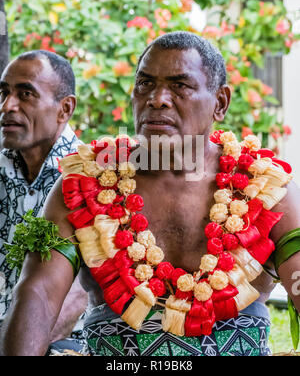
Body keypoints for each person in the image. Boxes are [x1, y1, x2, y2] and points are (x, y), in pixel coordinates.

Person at [1, 32, 300, 356]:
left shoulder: (267, 191)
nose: (157, 98)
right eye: (145, 84)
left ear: (220, 103)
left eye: (179, 85)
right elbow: (39, 294)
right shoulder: (84, 186)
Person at [0, 50, 88, 350]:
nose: (7, 106)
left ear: (65, 109)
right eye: (4, 93)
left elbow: (77, 297)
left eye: (25, 94)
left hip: (63, 343)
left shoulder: (94, 182)